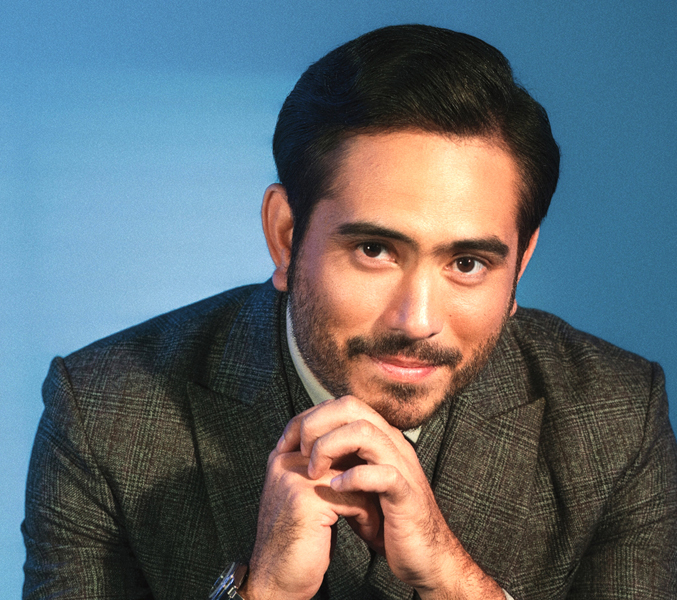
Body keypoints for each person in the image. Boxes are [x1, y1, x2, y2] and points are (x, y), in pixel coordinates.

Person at [22, 24, 677, 600]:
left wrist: (453, 581)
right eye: (374, 250)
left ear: (519, 266)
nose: (416, 320)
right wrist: (263, 592)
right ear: (286, 236)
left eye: (468, 263)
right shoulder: (104, 414)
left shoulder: (616, 419)